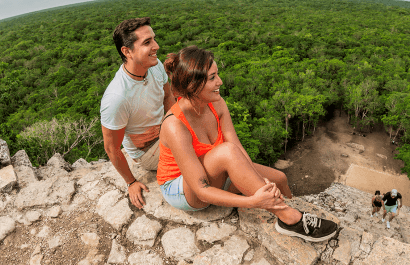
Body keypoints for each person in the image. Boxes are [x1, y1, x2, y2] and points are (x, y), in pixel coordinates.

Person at [156, 46, 338, 242]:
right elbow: (201, 190)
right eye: (212, 77)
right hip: (183, 188)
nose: (220, 82)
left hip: (215, 171)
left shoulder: (216, 103)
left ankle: (288, 208)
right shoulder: (175, 124)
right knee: (226, 151)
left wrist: (260, 180)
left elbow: (238, 150)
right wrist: (252, 201)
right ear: (193, 85)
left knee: (279, 177)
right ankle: (290, 219)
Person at [101, 17, 174, 209]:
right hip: (147, 150)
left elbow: (168, 97)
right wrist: (131, 182)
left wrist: (176, 124)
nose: (156, 46)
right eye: (147, 43)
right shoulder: (117, 96)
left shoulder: (154, 65)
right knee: (200, 148)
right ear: (127, 51)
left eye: (154, 39)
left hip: (166, 129)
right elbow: (111, 147)